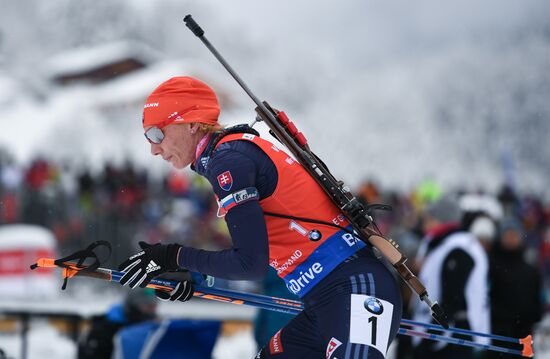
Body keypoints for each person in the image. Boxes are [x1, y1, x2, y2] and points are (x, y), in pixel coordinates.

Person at [117, 76, 403, 358]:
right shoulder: (232, 153)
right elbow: (262, 255)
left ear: (191, 123)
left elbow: (249, 263)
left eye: (157, 133)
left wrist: (173, 256)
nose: (154, 148)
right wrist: (195, 274)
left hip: (358, 290)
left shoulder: (229, 160)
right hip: (325, 302)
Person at [411, 196, 490, 359]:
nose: (425, 221)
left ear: (442, 219)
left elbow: (453, 299)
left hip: (454, 336)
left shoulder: (459, 247)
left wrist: (431, 336)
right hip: (438, 332)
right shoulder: (440, 243)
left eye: (430, 217)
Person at [487, 219, 544, 359]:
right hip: (497, 333)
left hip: (524, 333)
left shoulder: (531, 270)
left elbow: (537, 300)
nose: (511, 239)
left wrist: (533, 316)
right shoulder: (490, 266)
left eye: (515, 235)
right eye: (508, 235)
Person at [78, 289, 158, 359]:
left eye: (154, 306)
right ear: (133, 305)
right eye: (148, 305)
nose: (152, 310)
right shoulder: (103, 330)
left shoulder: (155, 327)